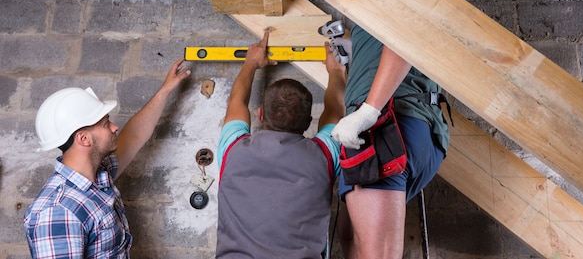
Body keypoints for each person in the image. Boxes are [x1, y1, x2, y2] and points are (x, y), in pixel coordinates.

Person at [23, 58, 191, 258]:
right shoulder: (57, 212)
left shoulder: (98, 176)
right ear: (84, 138)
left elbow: (134, 136)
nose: (114, 127)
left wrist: (165, 90)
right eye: (105, 124)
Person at [216, 30, 346, 258]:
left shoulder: (233, 149)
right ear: (308, 123)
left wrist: (250, 63)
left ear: (260, 114)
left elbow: (236, 102)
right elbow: (335, 110)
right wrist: (336, 71)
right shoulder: (323, 156)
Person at [331, 25, 450, 259]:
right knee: (350, 238)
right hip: (412, 127)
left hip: (387, 127)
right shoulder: (367, 15)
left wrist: (368, 111)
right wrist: (358, 54)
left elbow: (404, 33)